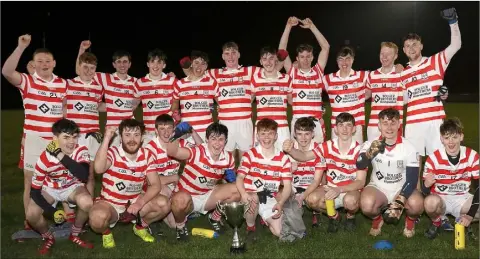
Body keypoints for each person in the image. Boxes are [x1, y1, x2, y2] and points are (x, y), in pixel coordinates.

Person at [2, 34, 68, 231]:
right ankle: (29, 221)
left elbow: (65, 111)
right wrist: (21, 47)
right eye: (40, 61)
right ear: (33, 64)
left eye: (48, 61)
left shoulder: (63, 84)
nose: (44, 64)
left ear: (54, 63)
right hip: (33, 139)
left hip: (55, 142)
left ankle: (65, 216)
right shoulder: (27, 81)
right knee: (30, 181)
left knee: (60, 177)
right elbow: (6, 72)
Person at [89, 119, 170, 248]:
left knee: (164, 204)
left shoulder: (147, 155)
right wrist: (107, 138)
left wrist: (140, 203)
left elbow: (155, 185)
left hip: (134, 203)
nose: (132, 140)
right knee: (97, 218)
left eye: (136, 135)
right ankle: (106, 232)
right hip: (111, 203)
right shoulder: (113, 152)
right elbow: (98, 168)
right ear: (120, 137)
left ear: (142, 138)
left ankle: (140, 226)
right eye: (127, 135)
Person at [284, 113, 365, 233]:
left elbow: (360, 182)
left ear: (354, 129)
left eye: (348, 125)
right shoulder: (328, 146)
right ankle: (334, 216)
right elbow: (304, 156)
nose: (344, 129)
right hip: (331, 187)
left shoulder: (360, 150)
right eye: (341, 125)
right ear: (335, 129)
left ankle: (350, 216)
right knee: (311, 199)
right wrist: (290, 150)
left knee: (350, 202)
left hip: (350, 189)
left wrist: (339, 189)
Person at [400, 7, 461, 157]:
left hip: (435, 122)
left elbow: (455, 45)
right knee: (413, 163)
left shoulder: (435, 62)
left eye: (414, 44)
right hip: (413, 124)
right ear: (403, 50)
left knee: (439, 160)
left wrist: (453, 22)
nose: (411, 48)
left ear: (421, 46)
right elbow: (403, 100)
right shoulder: (403, 73)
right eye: (408, 46)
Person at [26, 119, 94, 254]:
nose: (71, 142)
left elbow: (83, 175)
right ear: (55, 138)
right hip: (50, 189)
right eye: (66, 137)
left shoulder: (80, 150)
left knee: (87, 202)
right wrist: (52, 211)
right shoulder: (45, 158)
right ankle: (48, 237)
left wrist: (60, 154)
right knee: (31, 214)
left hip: (72, 186)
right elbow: (34, 191)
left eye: (74, 137)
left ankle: (74, 234)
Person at [167, 122, 239, 241]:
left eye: (221, 139)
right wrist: (176, 134)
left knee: (236, 190)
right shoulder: (197, 151)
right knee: (178, 203)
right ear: (207, 140)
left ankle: (214, 217)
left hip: (207, 196)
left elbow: (232, 184)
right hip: (186, 196)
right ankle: (180, 226)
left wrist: (233, 180)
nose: (217, 143)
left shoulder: (228, 158)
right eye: (213, 139)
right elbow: (172, 152)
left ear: (225, 141)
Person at [357, 108, 423, 238]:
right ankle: (377, 220)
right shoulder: (370, 144)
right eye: (385, 123)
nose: (389, 127)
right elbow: (360, 165)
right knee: (366, 205)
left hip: (401, 187)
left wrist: (400, 201)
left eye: (393, 123)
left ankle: (410, 222)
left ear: (399, 124)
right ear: (379, 125)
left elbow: (412, 179)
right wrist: (369, 153)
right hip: (378, 187)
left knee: (417, 204)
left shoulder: (409, 147)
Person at [422, 118, 479, 239]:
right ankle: (438, 221)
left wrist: (470, 215)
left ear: (461, 137)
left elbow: (479, 187)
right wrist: (426, 185)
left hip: (462, 198)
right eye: (447, 138)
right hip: (441, 199)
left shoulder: (472, 155)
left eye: (454, 137)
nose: (451, 142)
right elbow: (424, 192)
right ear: (442, 139)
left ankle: (463, 220)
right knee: (429, 203)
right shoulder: (433, 159)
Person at [236, 118, 293, 239]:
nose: (266, 137)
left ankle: (265, 218)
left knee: (280, 232)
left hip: (269, 198)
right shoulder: (249, 154)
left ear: (276, 136)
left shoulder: (283, 158)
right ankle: (250, 226)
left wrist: (281, 203)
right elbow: (240, 177)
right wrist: (243, 193)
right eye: (263, 133)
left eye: (270, 133)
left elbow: (287, 186)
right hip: (251, 196)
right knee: (253, 198)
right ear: (257, 136)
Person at [76, 40, 139, 147]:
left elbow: (139, 99)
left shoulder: (136, 82)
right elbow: (81, 71)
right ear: (114, 64)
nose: (122, 65)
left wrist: (171, 77)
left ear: (130, 64)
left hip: (130, 127)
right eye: (118, 62)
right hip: (112, 129)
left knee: (131, 157)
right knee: (111, 159)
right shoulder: (106, 78)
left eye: (125, 61)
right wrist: (82, 50)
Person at [145, 114, 203, 228]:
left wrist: (192, 131)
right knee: (174, 224)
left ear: (174, 129)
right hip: (157, 187)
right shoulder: (150, 149)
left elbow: (203, 149)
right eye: (162, 129)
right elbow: (149, 180)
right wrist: (174, 178)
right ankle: (150, 216)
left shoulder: (178, 142)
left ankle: (177, 210)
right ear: (156, 131)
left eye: (169, 128)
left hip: (174, 185)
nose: (166, 133)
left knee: (176, 222)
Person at [279, 16, 330, 144]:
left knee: (318, 156)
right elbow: (282, 51)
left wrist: (312, 27)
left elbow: (326, 47)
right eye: (302, 57)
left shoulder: (318, 72)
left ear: (313, 57)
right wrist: (288, 26)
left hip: (316, 122)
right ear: (297, 58)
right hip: (298, 123)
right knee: (297, 157)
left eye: (308, 56)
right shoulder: (293, 73)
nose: (305, 60)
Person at [66, 52, 105, 196]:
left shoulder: (98, 87)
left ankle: (88, 209)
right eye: (85, 67)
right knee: (69, 174)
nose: (88, 71)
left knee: (89, 175)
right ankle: (70, 209)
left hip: (92, 137)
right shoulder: (69, 85)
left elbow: (98, 105)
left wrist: (117, 107)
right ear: (79, 67)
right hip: (73, 136)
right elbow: (62, 106)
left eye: (92, 68)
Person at [251, 46, 293, 151]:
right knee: (260, 160)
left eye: (271, 58)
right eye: (264, 59)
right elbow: (247, 102)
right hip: (262, 128)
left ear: (276, 60)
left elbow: (292, 101)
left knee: (284, 158)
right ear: (261, 61)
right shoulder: (255, 80)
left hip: (282, 127)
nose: (268, 62)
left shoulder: (286, 79)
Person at [172, 51, 218, 142]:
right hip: (186, 131)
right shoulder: (180, 84)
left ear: (206, 66)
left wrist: (211, 109)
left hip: (207, 131)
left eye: (203, 64)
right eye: (196, 63)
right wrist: (175, 113)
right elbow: (175, 103)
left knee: (206, 156)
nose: (199, 67)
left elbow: (217, 103)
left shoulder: (212, 83)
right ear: (191, 64)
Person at [288, 117, 326, 227]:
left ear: (313, 134)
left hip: (314, 186)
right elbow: (281, 181)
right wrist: (289, 171)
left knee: (313, 199)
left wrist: (302, 196)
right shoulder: (289, 149)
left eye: (307, 134)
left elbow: (316, 181)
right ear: (294, 134)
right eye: (300, 134)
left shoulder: (319, 150)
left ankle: (316, 210)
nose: (303, 138)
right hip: (294, 187)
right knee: (280, 197)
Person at [133, 49, 177, 144]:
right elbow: (133, 105)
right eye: (152, 62)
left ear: (164, 65)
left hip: (168, 131)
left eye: (159, 62)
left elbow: (178, 101)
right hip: (149, 132)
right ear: (148, 64)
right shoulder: (140, 83)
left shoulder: (172, 81)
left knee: (170, 158)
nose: (155, 66)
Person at [366, 42, 405, 141]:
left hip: (393, 125)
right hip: (374, 125)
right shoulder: (372, 75)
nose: (384, 57)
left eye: (388, 54)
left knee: (394, 155)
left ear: (395, 56)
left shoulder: (402, 74)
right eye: (382, 53)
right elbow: (365, 95)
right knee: (373, 154)